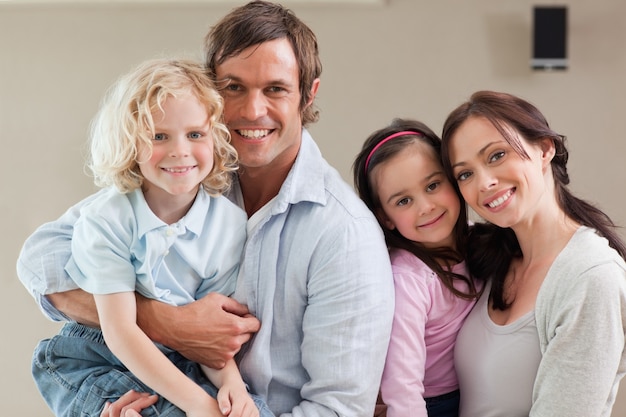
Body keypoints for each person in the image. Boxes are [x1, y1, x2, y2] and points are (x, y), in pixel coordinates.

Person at [17, 1, 395, 416]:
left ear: (308, 95)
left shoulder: (344, 233)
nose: (253, 111)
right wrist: (169, 325)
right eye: (234, 87)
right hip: (146, 385)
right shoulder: (186, 175)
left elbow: (339, 410)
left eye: (275, 88)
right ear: (210, 94)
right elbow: (41, 259)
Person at [29, 57, 273, 417]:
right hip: (97, 356)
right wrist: (199, 406)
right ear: (131, 143)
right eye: (159, 136)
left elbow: (204, 340)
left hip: (179, 358)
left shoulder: (228, 224)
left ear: (216, 138)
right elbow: (121, 332)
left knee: (256, 412)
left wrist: (232, 387)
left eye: (195, 134)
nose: (179, 150)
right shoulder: (108, 219)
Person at [440, 90, 626, 417]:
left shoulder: (591, 276)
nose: (484, 183)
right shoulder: (488, 258)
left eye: (496, 155)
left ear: (544, 148)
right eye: (465, 174)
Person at [353, 119, 482, 417]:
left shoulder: (479, 240)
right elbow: (402, 383)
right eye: (404, 201)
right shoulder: (409, 278)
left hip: (477, 392)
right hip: (432, 404)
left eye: (433, 185)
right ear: (386, 219)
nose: (425, 207)